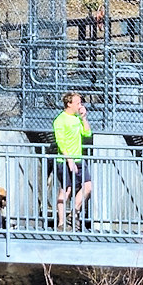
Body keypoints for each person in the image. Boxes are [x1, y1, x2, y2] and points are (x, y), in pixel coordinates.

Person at [52, 91, 93, 230]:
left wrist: (83, 118)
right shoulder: (60, 120)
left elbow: (87, 133)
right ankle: (61, 222)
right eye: (77, 103)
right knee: (66, 189)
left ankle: (73, 212)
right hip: (64, 160)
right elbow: (60, 142)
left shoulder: (76, 118)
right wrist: (69, 159)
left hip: (79, 158)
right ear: (69, 104)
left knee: (88, 186)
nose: (79, 106)